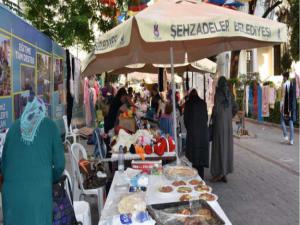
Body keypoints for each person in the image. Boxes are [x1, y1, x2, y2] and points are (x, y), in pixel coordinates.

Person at [1, 96, 65, 225]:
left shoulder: (13, 128)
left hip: (11, 196)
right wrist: (47, 178)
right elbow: (59, 165)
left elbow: (3, 166)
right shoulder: (50, 126)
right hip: (38, 195)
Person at [211, 76, 238, 183]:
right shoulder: (230, 94)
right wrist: (228, 117)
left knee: (218, 149)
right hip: (228, 127)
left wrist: (213, 115)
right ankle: (224, 173)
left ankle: (218, 174)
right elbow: (235, 107)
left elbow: (216, 111)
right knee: (226, 149)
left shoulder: (218, 95)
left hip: (219, 127)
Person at [184, 89, 209, 179]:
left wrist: (190, 129)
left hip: (193, 135)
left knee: (192, 159)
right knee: (200, 160)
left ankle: (193, 180)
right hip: (203, 134)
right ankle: (201, 179)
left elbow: (185, 120)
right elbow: (206, 118)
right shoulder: (203, 103)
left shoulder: (188, 103)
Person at [280, 72, 297, 145]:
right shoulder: (291, 84)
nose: (282, 78)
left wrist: (281, 106)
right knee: (290, 122)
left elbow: (283, 97)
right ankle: (292, 140)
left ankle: (286, 136)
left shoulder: (284, 85)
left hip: (285, 106)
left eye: (283, 77)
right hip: (291, 106)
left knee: (282, 120)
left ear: (285, 77)